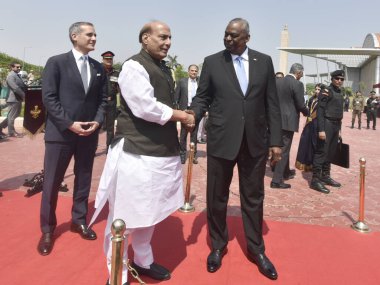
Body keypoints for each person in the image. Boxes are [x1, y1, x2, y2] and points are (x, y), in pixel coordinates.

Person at [91, 21, 194, 285]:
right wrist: (180, 115)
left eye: (170, 38)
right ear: (145, 38)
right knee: (125, 216)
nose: (168, 42)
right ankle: (118, 273)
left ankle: (143, 260)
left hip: (160, 153)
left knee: (151, 213)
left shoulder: (164, 68)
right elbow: (144, 107)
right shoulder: (134, 66)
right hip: (136, 154)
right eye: (162, 37)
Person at [190, 18, 282, 280]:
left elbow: (271, 104)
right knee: (216, 196)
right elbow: (203, 97)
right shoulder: (213, 61)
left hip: (254, 141)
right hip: (221, 140)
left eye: (234, 36)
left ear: (247, 38)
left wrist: (275, 141)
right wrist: (192, 115)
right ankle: (218, 245)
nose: (229, 40)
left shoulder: (263, 62)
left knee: (253, 197)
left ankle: (256, 250)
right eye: (226, 35)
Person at [37, 22, 108, 256]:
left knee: (84, 179)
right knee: (52, 183)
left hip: (88, 134)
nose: (94, 38)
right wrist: (69, 123)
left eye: (95, 34)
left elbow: (103, 100)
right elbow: (49, 97)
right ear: (74, 36)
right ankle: (48, 229)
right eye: (90, 34)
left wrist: (97, 122)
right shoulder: (56, 62)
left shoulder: (98, 68)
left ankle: (79, 220)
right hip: (61, 134)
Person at [271, 63, 308, 189]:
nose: (302, 76)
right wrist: (309, 114)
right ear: (298, 72)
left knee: (280, 148)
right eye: (302, 73)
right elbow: (301, 104)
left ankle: (285, 172)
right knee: (284, 151)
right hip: (288, 122)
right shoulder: (297, 84)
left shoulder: (277, 81)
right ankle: (276, 180)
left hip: (275, 120)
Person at [310, 70, 345, 194]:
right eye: (337, 78)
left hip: (336, 125)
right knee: (321, 151)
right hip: (327, 124)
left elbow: (339, 112)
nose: (339, 81)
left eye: (342, 79)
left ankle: (325, 175)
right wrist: (321, 129)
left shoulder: (340, 92)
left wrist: (339, 131)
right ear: (332, 79)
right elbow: (320, 111)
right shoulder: (326, 91)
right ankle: (315, 179)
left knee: (330, 152)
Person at [176, 64, 199, 164]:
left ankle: (193, 156)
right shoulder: (182, 82)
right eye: (192, 70)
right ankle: (182, 155)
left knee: (194, 135)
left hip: (195, 111)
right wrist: (177, 110)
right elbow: (176, 96)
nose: (193, 72)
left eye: (195, 71)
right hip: (184, 110)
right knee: (183, 135)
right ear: (188, 71)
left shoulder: (200, 83)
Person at [295, 83, 322, 171]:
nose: (317, 91)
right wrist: (305, 121)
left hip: (317, 124)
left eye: (319, 90)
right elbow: (309, 112)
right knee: (305, 142)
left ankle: (313, 165)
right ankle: (303, 163)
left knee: (314, 144)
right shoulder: (311, 99)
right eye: (316, 89)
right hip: (309, 123)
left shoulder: (323, 101)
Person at [0, 62, 27, 138]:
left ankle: (0, 127)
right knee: (12, 116)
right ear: (12, 67)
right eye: (17, 67)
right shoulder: (11, 76)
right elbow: (15, 88)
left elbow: (21, 86)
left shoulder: (16, 75)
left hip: (17, 98)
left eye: (20, 67)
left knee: (14, 115)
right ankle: (11, 132)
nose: (19, 68)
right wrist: (24, 95)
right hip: (13, 98)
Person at [101, 51, 120, 149]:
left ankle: (109, 148)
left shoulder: (116, 73)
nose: (109, 61)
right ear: (103, 60)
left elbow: (120, 89)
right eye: (107, 59)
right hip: (99, 103)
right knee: (96, 126)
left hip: (112, 102)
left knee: (110, 127)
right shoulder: (97, 71)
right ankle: (92, 148)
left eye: (110, 59)